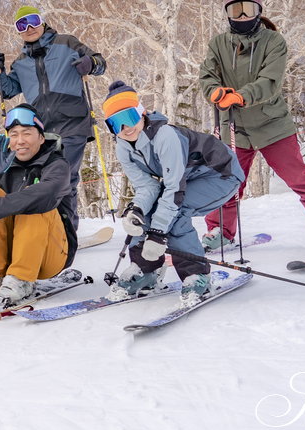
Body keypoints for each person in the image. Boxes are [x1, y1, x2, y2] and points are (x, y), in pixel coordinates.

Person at [200, 0, 305, 253]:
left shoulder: (273, 42)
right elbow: (207, 76)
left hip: (272, 126)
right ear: (227, 13)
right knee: (228, 183)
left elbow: (270, 81)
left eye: (249, 9)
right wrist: (215, 92)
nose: (243, 16)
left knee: (300, 180)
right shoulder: (218, 44)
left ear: (259, 12)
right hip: (235, 126)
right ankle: (220, 231)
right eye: (236, 10)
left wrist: (241, 96)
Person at [100, 81, 244, 305]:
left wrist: (157, 233)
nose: (125, 128)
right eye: (115, 124)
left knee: (175, 214)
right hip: (189, 177)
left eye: (129, 118)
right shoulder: (123, 146)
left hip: (220, 174)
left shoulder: (164, 136)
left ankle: (198, 276)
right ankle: (145, 272)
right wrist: (136, 210)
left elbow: (174, 188)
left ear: (142, 112)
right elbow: (147, 187)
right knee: (144, 217)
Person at [0, 6, 106, 220]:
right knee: (45, 178)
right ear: (18, 31)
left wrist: (91, 63)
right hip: (42, 129)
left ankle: (67, 229)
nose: (29, 28)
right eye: (22, 25)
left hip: (73, 122)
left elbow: (100, 63)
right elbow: (9, 90)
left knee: (64, 177)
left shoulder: (67, 43)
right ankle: (49, 225)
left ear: (42, 22)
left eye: (32, 21)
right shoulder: (20, 62)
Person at [0, 104, 77, 311]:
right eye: (13, 134)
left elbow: (48, 193)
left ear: (41, 137)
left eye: (27, 133)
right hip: (10, 253)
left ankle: (21, 279)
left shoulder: (57, 164)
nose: (20, 141)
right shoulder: (2, 161)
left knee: (36, 196)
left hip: (49, 255)